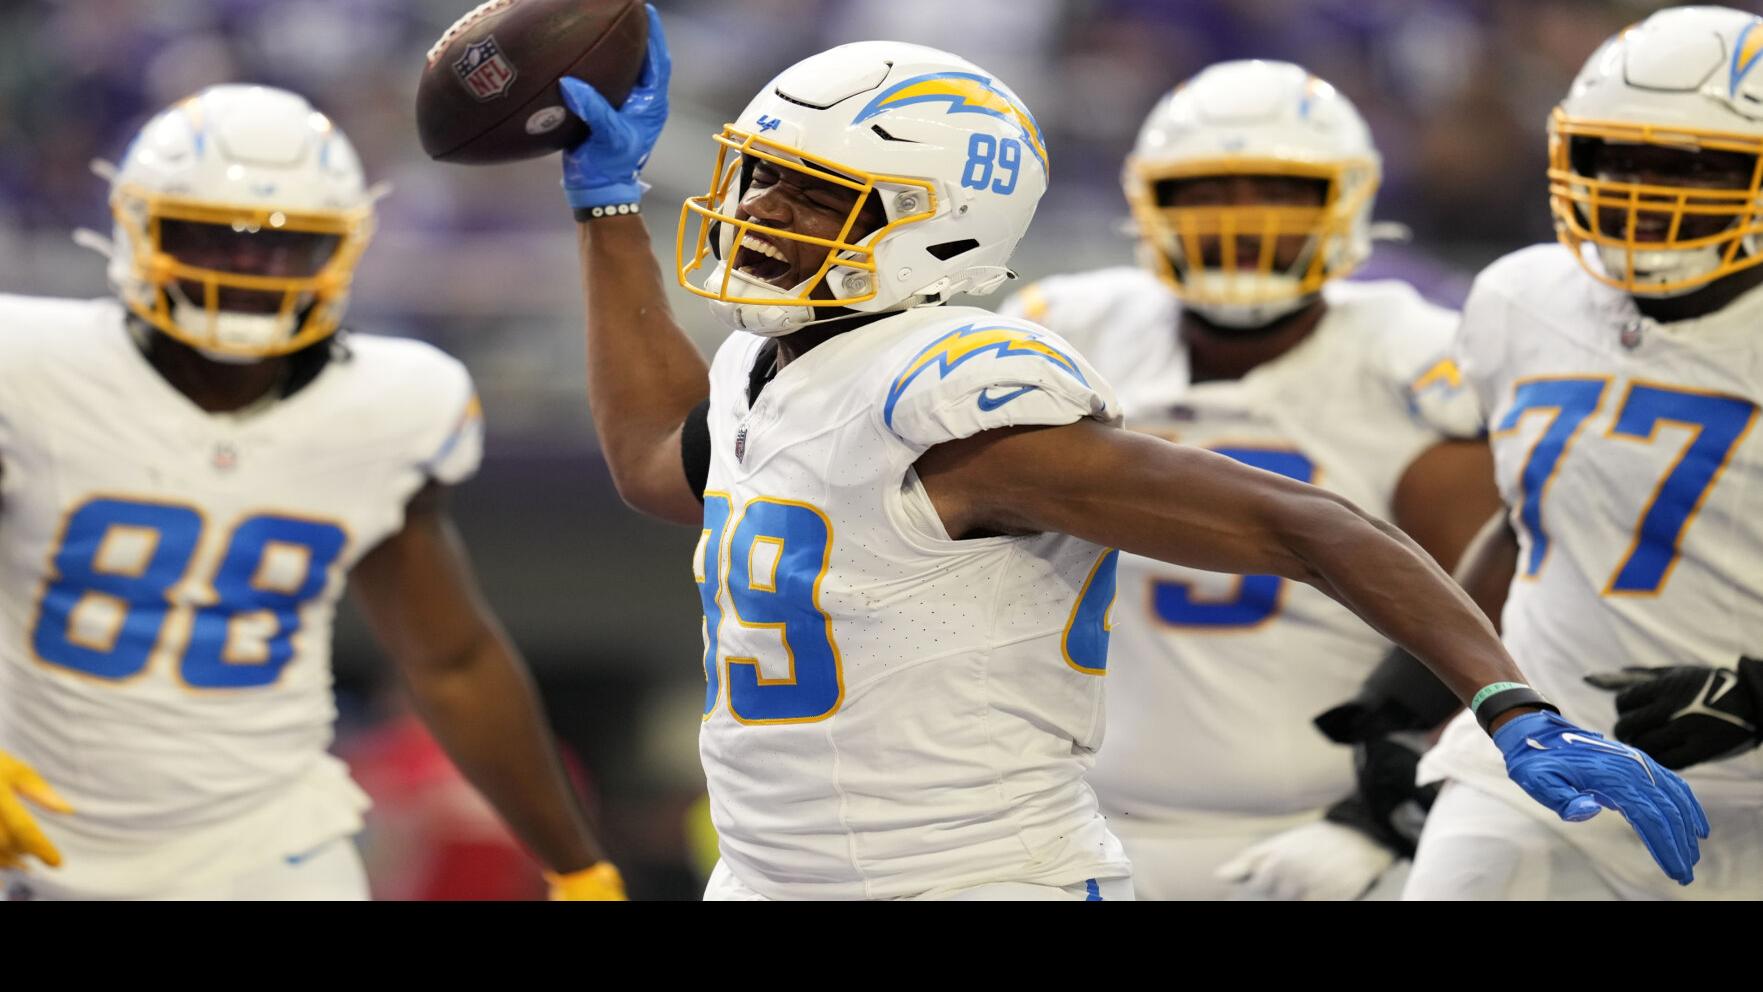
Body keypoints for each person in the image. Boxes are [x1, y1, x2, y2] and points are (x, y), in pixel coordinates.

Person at [557, 6, 1704, 900]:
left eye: (810, 195)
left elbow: (1302, 523)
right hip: (767, 871)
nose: (760, 209)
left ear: (937, 223)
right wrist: (607, 207)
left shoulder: (955, 393)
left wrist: (1504, 702)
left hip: (970, 875)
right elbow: (657, 460)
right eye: (758, 174)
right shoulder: (774, 362)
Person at [0, 84, 621, 900]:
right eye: (216, 237)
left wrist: (578, 866)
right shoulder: (31, 366)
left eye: (286, 244)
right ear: (137, 224)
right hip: (32, 826)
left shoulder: (392, 405)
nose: (250, 266)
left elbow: (452, 659)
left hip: (264, 841)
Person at [998, 60, 1500, 900]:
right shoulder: (1066, 332)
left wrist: (1390, 813)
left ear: (1347, 198)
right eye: (1205, 191)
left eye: (1276, 188)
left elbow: (1496, 619)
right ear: (1147, 199)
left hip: (1321, 833)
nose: (1239, 218)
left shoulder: (1415, 362)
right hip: (1067, 821)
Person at [1400, 5, 1763, 900]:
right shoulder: (1519, 297)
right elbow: (1535, 517)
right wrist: (1406, 697)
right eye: (1619, 155)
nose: (1645, 188)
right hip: (1553, 773)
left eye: (1692, 164)